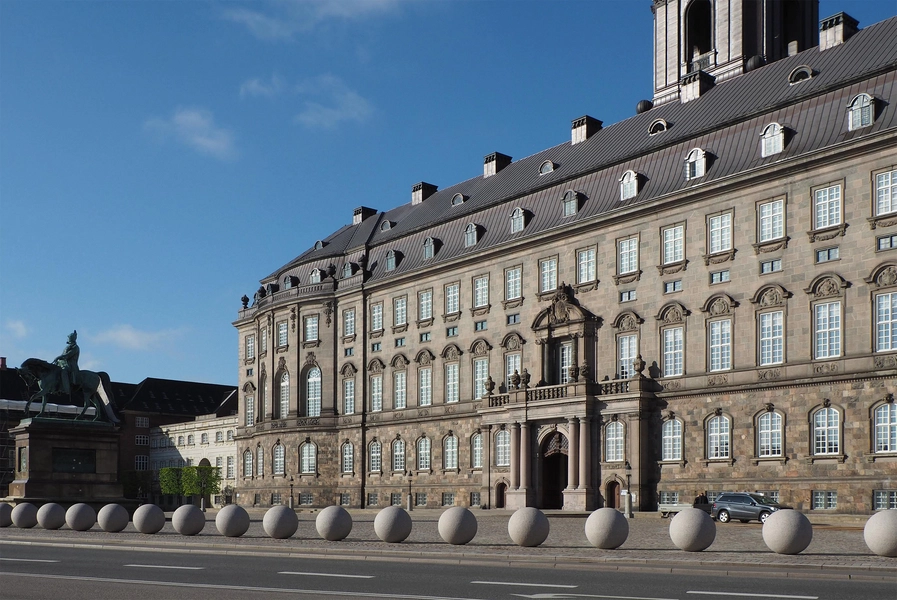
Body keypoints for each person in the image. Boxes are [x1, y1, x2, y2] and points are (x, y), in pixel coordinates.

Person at [54, 330, 81, 395]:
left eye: (69, 338)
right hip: (64, 364)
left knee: (63, 372)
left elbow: (68, 355)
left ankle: (66, 390)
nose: (68, 339)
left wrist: (59, 357)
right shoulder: (68, 347)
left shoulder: (75, 347)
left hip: (71, 365)